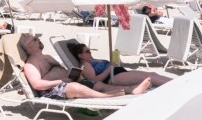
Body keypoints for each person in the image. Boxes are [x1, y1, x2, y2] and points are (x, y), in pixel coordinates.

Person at [19, 33, 150, 99]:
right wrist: (61, 80)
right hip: (53, 91)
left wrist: (74, 74)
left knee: (98, 85)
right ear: (29, 46)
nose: (38, 39)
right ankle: (108, 97)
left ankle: (130, 89)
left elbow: (60, 70)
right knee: (75, 87)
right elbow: (36, 85)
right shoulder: (31, 64)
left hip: (67, 82)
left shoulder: (47, 56)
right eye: (35, 39)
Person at [64, 42, 171, 90]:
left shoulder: (92, 60)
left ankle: (175, 84)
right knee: (149, 78)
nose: (90, 52)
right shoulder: (85, 65)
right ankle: (174, 86)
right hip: (113, 78)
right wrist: (110, 67)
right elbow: (95, 79)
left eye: (89, 50)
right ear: (80, 55)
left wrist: (114, 62)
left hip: (118, 72)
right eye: (87, 51)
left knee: (153, 74)